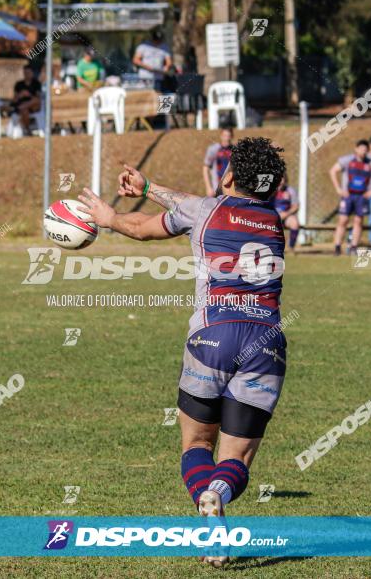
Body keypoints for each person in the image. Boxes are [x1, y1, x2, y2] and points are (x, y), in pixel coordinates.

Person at [77, 138, 288, 568]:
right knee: (237, 458)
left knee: (196, 444)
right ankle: (219, 495)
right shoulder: (273, 218)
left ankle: (204, 504)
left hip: (213, 336)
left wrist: (109, 216)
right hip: (266, 342)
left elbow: (142, 228)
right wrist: (150, 184)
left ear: (228, 176)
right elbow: (191, 200)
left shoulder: (206, 211)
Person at [329, 139, 371, 255]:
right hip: (348, 196)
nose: (363, 152)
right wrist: (338, 188)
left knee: (358, 222)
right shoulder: (347, 160)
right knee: (343, 220)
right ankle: (337, 247)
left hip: (362, 197)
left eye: (365, 150)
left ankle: (353, 247)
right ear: (356, 149)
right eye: (362, 149)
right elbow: (333, 171)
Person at [202, 128, 234, 197]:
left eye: (229, 136)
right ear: (221, 136)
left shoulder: (234, 150)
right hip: (216, 188)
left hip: (230, 189)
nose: (227, 138)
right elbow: (205, 168)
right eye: (225, 136)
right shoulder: (213, 149)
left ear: (231, 137)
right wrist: (208, 187)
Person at [273, 174, 300, 253]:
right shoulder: (269, 190)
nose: (280, 183)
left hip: (286, 216)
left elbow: (296, 206)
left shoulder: (290, 190)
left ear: (285, 181)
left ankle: (291, 247)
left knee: (294, 223)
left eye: (282, 180)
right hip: (272, 215)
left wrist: (286, 214)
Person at [12, 66, 42, 134]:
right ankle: (27, 130)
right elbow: (14, 100)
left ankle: (22, 107)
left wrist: (29, 95)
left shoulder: (36, 84)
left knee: (35, 101)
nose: (27, 74)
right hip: (22, 108)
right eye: (25, 73)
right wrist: (20, 95)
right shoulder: (19, 84)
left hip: (33, 106)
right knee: (24, 110)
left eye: (28, 73)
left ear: (32, 73)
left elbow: (38, 98)